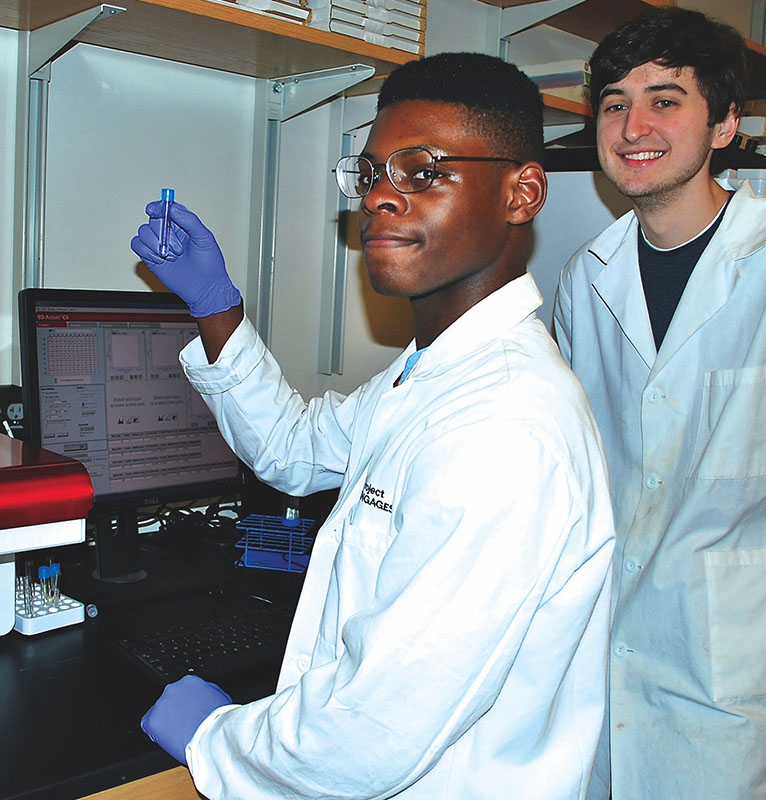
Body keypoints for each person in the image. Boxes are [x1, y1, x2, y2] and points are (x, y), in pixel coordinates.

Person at [130, 52, 616, 799]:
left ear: (520, 193)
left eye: (422, 171)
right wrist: (216, 306)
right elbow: (294, 451)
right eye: (370, 174)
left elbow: (372, 737)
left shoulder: (502, 426)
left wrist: (215, 739)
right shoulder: (431, 374)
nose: (381, 197)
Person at [553, 8, 766, 800]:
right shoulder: (586, 279)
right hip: (594, 658)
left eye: (665, 100)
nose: (633, 127)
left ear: (725, 124)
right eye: (615, 103)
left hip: (722, 677)